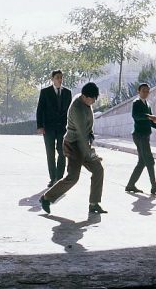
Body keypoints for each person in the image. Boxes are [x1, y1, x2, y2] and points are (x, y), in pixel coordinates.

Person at [40, 82, 107, 215]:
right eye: (91, 99)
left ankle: (94, 203)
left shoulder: (86, 103)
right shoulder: (77, 108)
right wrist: (91, 154)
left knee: (98, 170)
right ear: (84, 96)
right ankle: (47, 198)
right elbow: (81, 135)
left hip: (83, 142)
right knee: (72, 177)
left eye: (95, 99)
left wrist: (91, 134)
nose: (93, 101)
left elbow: (87, 128)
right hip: (74, 145)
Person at [125, 83, 156, 194]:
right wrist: (149, 116)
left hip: (145, 135)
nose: (145, 93)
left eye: (147, 91)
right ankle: (154, 186)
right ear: (138, 91)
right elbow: (136, 116)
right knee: (149, 160)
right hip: (139, 135)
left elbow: (151, 122)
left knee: (142, 162)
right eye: (143, 91)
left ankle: (130, 185)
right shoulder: (136, 103)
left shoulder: (147, 104)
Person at [36, 70, 72, 187]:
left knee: (62, 152)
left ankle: (59, 177)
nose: (60, 80)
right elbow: (40, 110)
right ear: (52, 79)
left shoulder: (67, 92)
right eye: (57, 77)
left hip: (63, 128)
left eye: (61, 77)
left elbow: (70, 112)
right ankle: (52, 178)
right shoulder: (45, 92)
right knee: (50, 153)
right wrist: (40, 126)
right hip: (48, 128)